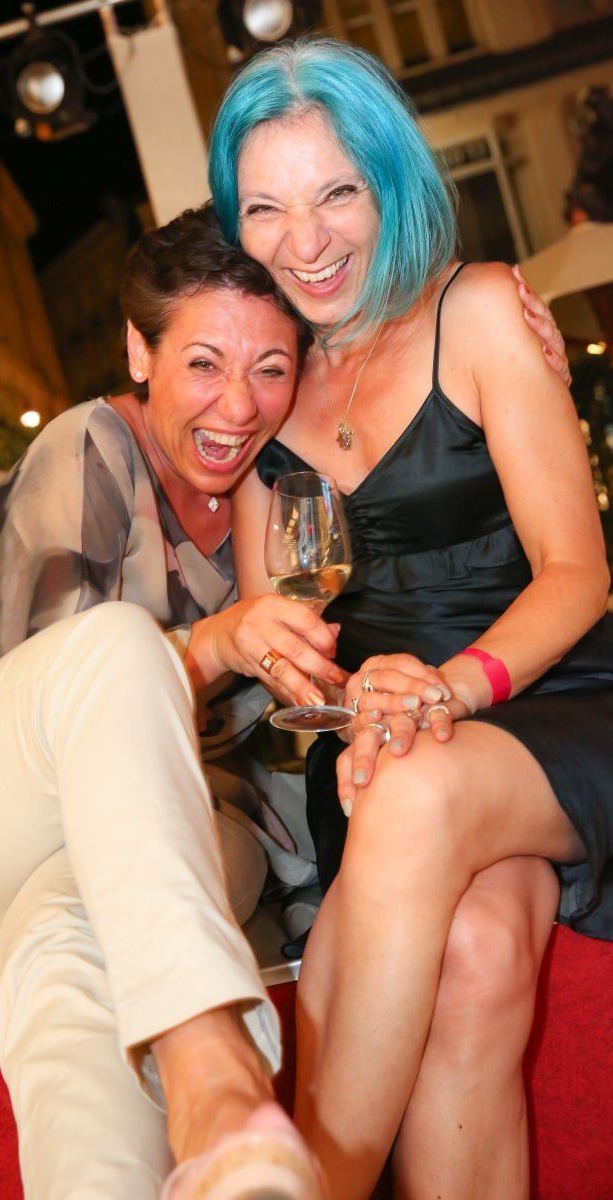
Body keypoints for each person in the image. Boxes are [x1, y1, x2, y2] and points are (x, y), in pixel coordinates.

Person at [0, 208, 337, 1200]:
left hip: (153, 845)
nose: (237, 404)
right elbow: (74, 715)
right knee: (108, 648)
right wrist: (217, 640)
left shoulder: (283, 494)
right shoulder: (86, 453)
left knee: (63, 950)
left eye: (270, 368)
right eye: (201, 363)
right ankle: (215, 1081)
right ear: (138, 350)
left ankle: (225, 1171)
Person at [208, 38, 613, 1200]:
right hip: (377, 745)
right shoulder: (267, 391)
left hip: (551, 702)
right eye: (267, 208)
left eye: (337, 191)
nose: (307, 240)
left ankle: (303, 1188)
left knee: (416, 784)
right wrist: (353, 704)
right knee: (477, 957)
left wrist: (443, 690)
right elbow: (285, 648)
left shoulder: (477, 311)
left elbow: (577, 573)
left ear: (390, 180)